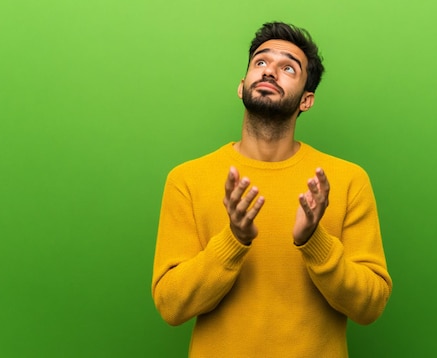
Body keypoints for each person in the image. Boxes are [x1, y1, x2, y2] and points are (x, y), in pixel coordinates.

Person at [152, 21, 392, 357]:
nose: (269, 72)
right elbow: (171, 305)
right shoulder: (187, 179)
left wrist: (314, 241)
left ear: (306, 100)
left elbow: (370, 306)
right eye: (261, 63)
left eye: (288, 68)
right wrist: (233, 239)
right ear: (241, 86)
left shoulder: (346, 180)